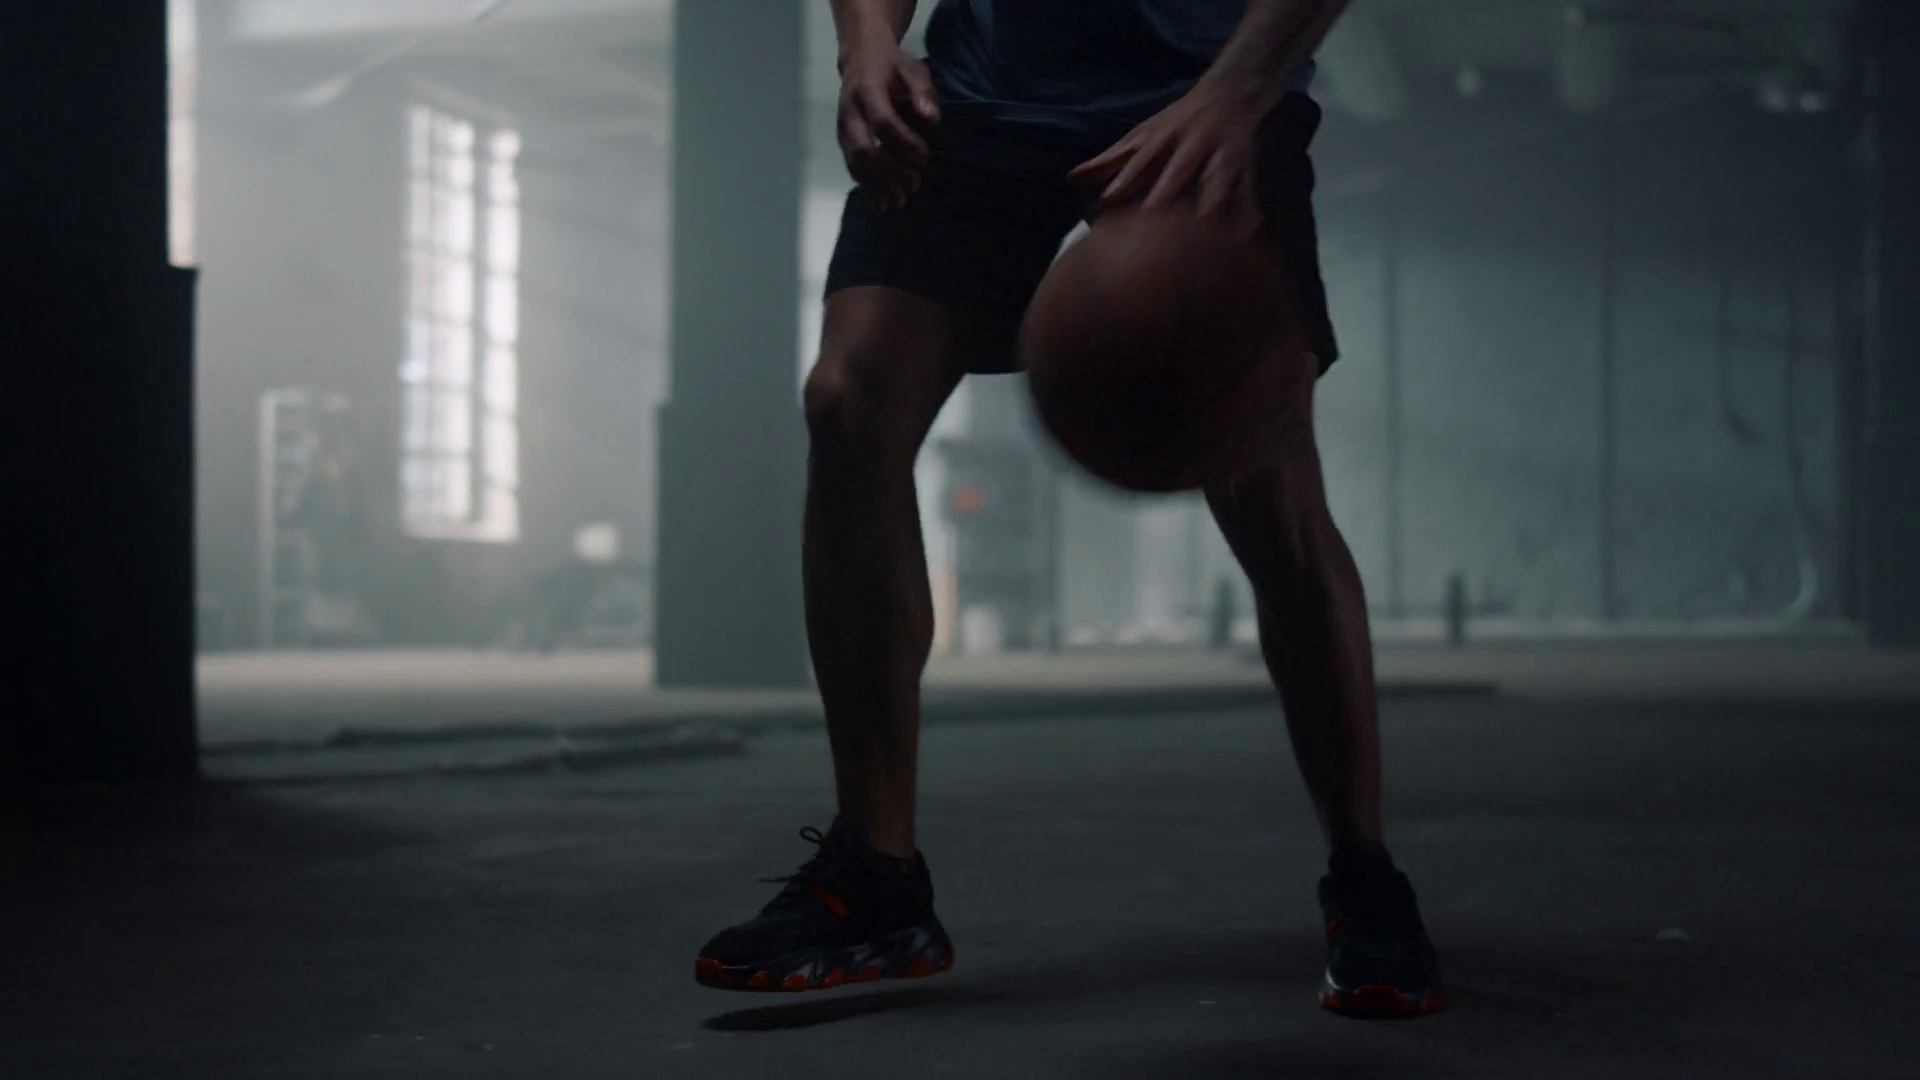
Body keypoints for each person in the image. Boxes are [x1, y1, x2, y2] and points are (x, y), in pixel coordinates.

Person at [694, 0, 1443, 1018]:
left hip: (1205, 93)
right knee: (847, 399)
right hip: (981, 97)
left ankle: (1364, 874)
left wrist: (1239, 90)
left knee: (1265, 479)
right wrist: (867, 45)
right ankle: (876, 876)